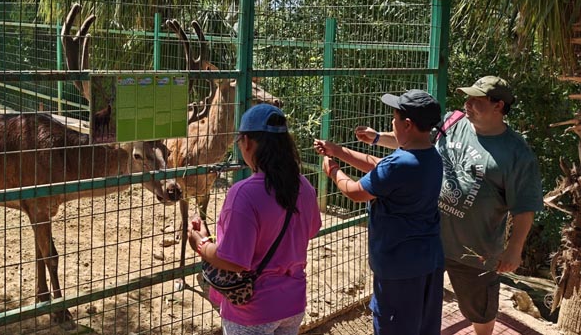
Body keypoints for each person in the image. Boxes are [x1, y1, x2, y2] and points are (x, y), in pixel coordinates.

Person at [355, 76, 543, 335]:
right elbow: (414, 139)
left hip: (474, 250)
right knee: (422, 306)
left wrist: (515, 248)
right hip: (429, 239)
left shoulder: (517, 153)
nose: (466, 104)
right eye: (467, 97)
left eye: (476, 100)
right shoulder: (453, 122)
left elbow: (524, 205)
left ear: (498, 106)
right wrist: (377, 138)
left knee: (480, 308)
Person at [313, 89, 445, 335]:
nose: (391, 124)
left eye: (393, 119)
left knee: (393, 327)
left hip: (399, 265)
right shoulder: (429, 155)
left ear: (407, 124)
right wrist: (339, 151)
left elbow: (354, 191)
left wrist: (333, 171)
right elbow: (378, 165)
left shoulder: (400, 164)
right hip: (429, 259)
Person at [187, 103, 321, 335]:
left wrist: (200, 243)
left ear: (247, 142)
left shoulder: (243, 194)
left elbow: (234, 261)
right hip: (293, 304)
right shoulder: (304, 186)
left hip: (253, 311)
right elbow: (310, 230)